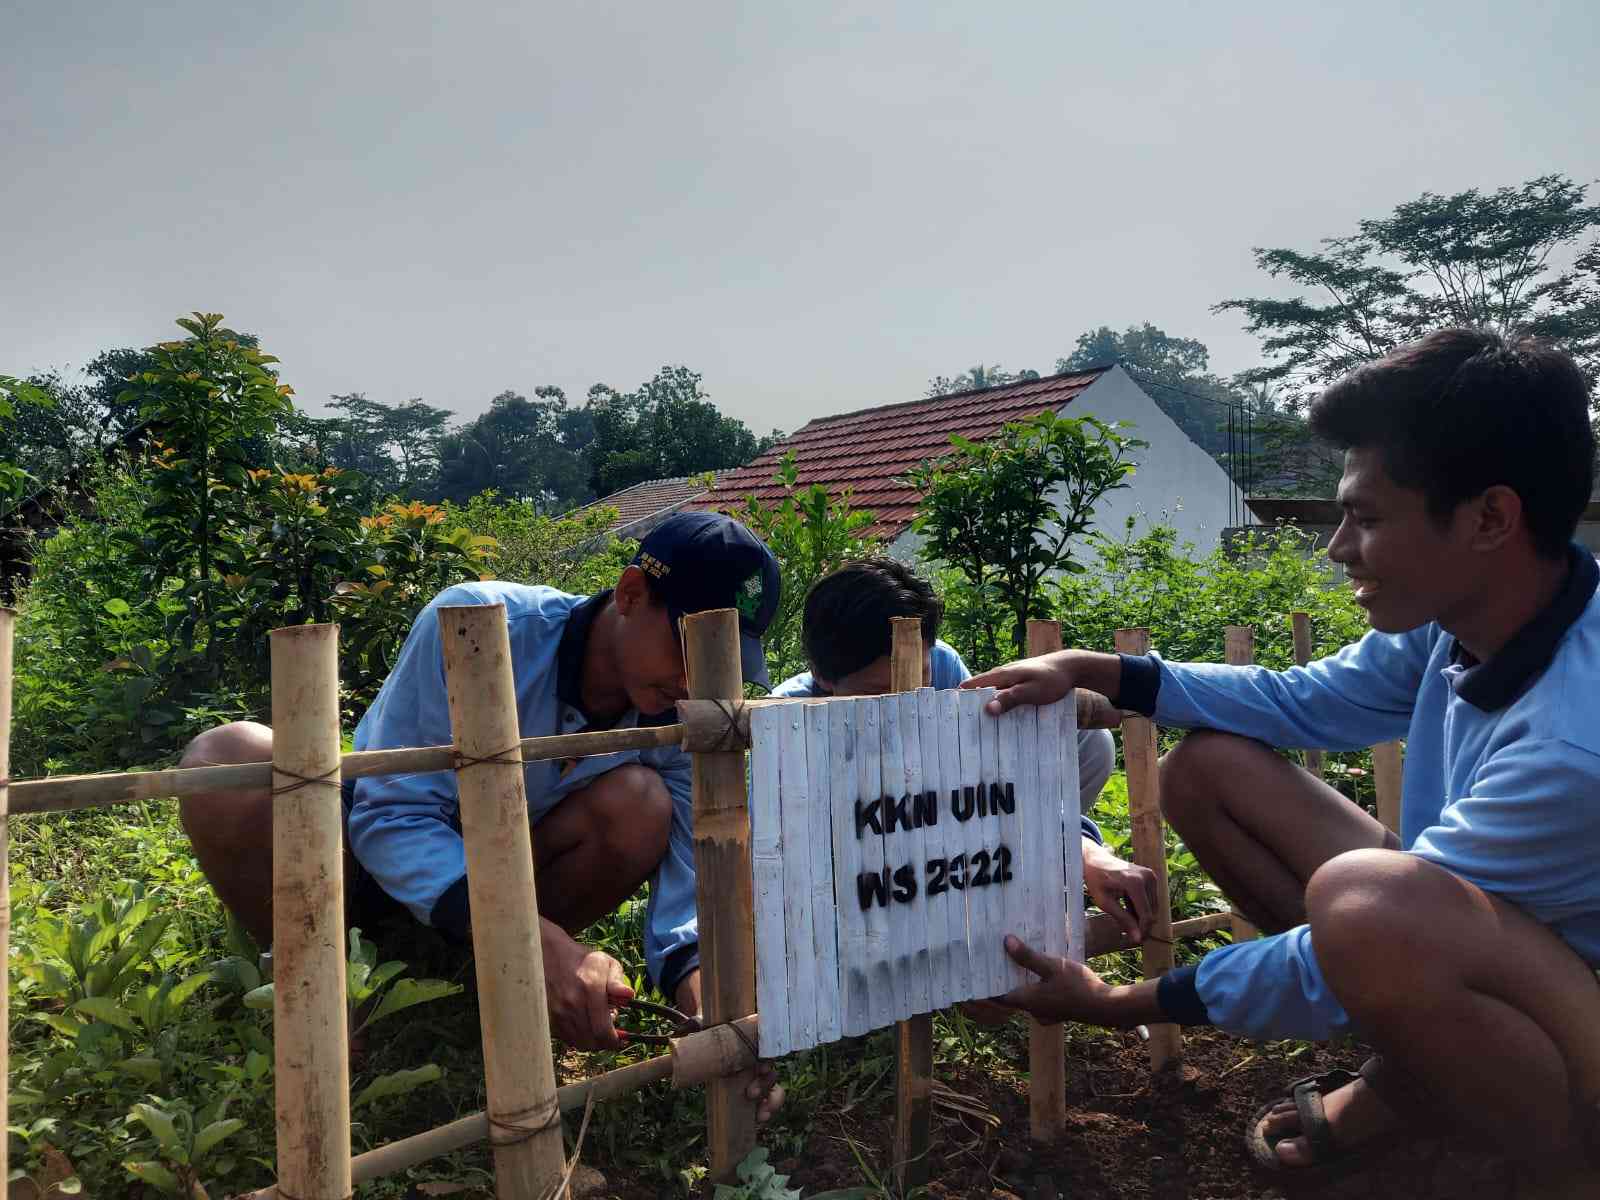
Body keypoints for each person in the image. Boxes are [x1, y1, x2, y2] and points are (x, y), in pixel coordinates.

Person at [971, 329, 1600, 1192]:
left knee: (1368, 906)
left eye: (1369, 518)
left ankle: (1549, 1159)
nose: (1338, 546)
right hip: (1500, 950)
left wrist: (1113, 1004)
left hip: (1581, 1031)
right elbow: (1299, 701)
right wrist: (1097, 672)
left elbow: (1356, 937)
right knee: (1211, 771)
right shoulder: (1468, 622)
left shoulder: (1574, 737)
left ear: (1491, 517)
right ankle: (1419, 1073)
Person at [180, 512, 784, 1118]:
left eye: (717, 660)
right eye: (687, 647)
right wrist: (524, 930)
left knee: (642, 806)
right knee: (225, 756)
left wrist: (708, 1006)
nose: (692, 678)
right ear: (630, 593)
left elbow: (688, 878)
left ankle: (488, 976)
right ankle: (319, 974)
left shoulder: (679, 719)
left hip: (502, 882)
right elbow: (390, 814)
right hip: (359, 870)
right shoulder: (479, 626)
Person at [772, 557, 1159, 953]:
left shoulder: (941, 664)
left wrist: (1081, 849)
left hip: (945, 832)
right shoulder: (786, 721)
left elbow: (986, 781)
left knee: (1091, 744)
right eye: (878, 692)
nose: (903, 704)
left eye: (917, 680)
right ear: (822, 676)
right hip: (862, 877)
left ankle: (1027, 879)